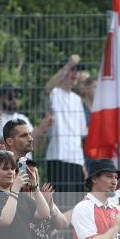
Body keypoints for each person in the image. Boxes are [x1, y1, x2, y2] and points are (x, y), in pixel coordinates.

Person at [43, 55, 87, 204]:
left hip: (76, 159)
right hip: (58, 156)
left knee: (77, 204)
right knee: (59, 204)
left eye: (77, 70)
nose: (74, 74)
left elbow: (80, 136)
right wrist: (68, 64)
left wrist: (82, 165)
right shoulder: (54, 93)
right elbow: (47, 88)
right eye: (71, 70)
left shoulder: (77, 99)